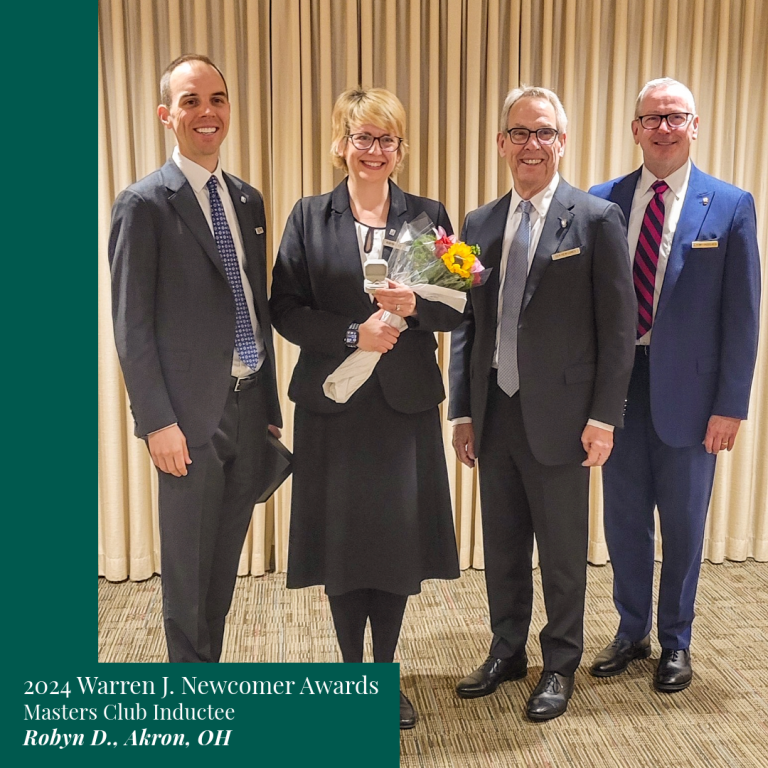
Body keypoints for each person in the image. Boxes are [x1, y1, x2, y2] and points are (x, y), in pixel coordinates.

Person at [270, 87, 461, 729]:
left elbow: (457, 305)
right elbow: (286, 308)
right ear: (341, 144)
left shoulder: (427, 216)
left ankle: (384, 674)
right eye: (362, 137)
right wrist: (355, 334)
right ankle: (351, 674)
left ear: (400, 149)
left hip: (402, 407)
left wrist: (416, 308)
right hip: (335, 405)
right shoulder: (307, 215)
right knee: (344, 545)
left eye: (386, 140)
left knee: (395, 544)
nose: (373, 151)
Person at [449, 86, 636, 720]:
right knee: (502, 545)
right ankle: (507, 649)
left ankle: (559, 664)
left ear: (562, 141)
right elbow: (468, 325)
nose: (532, 144)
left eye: (545, 132)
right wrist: (462, 410)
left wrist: (604, 416)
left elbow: (617, 331)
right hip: (494, 413)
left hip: (563, 420)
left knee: (560, 553)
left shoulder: (596, 219)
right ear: (501, 142)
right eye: (520, 133)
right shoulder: (478, 223)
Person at [588, 78, 761, 692]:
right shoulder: (601, 201)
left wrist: (731, 406)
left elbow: (743, 318)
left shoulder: (731, 204)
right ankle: (630, 631)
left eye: (675, 117)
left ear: (694, 126)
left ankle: (675, 641)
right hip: (618, 387)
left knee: (684, 523)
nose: (664, 127)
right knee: (624, 519)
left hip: (692, 398)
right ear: (634, 128)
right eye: (652, 118)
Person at [109, 54, 282, 663]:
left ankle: (209, 673)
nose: (206, 112)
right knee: (187, 570)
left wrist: (268, 409)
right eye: (190, 101)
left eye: (216, 98)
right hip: (185, 420)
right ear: (166, 115)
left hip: (246, 407)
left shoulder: (248, 200)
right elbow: (131, 326)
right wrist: (156, 421)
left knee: (222, 567)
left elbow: (254, 307)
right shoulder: (143, 204)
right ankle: (189, 688)